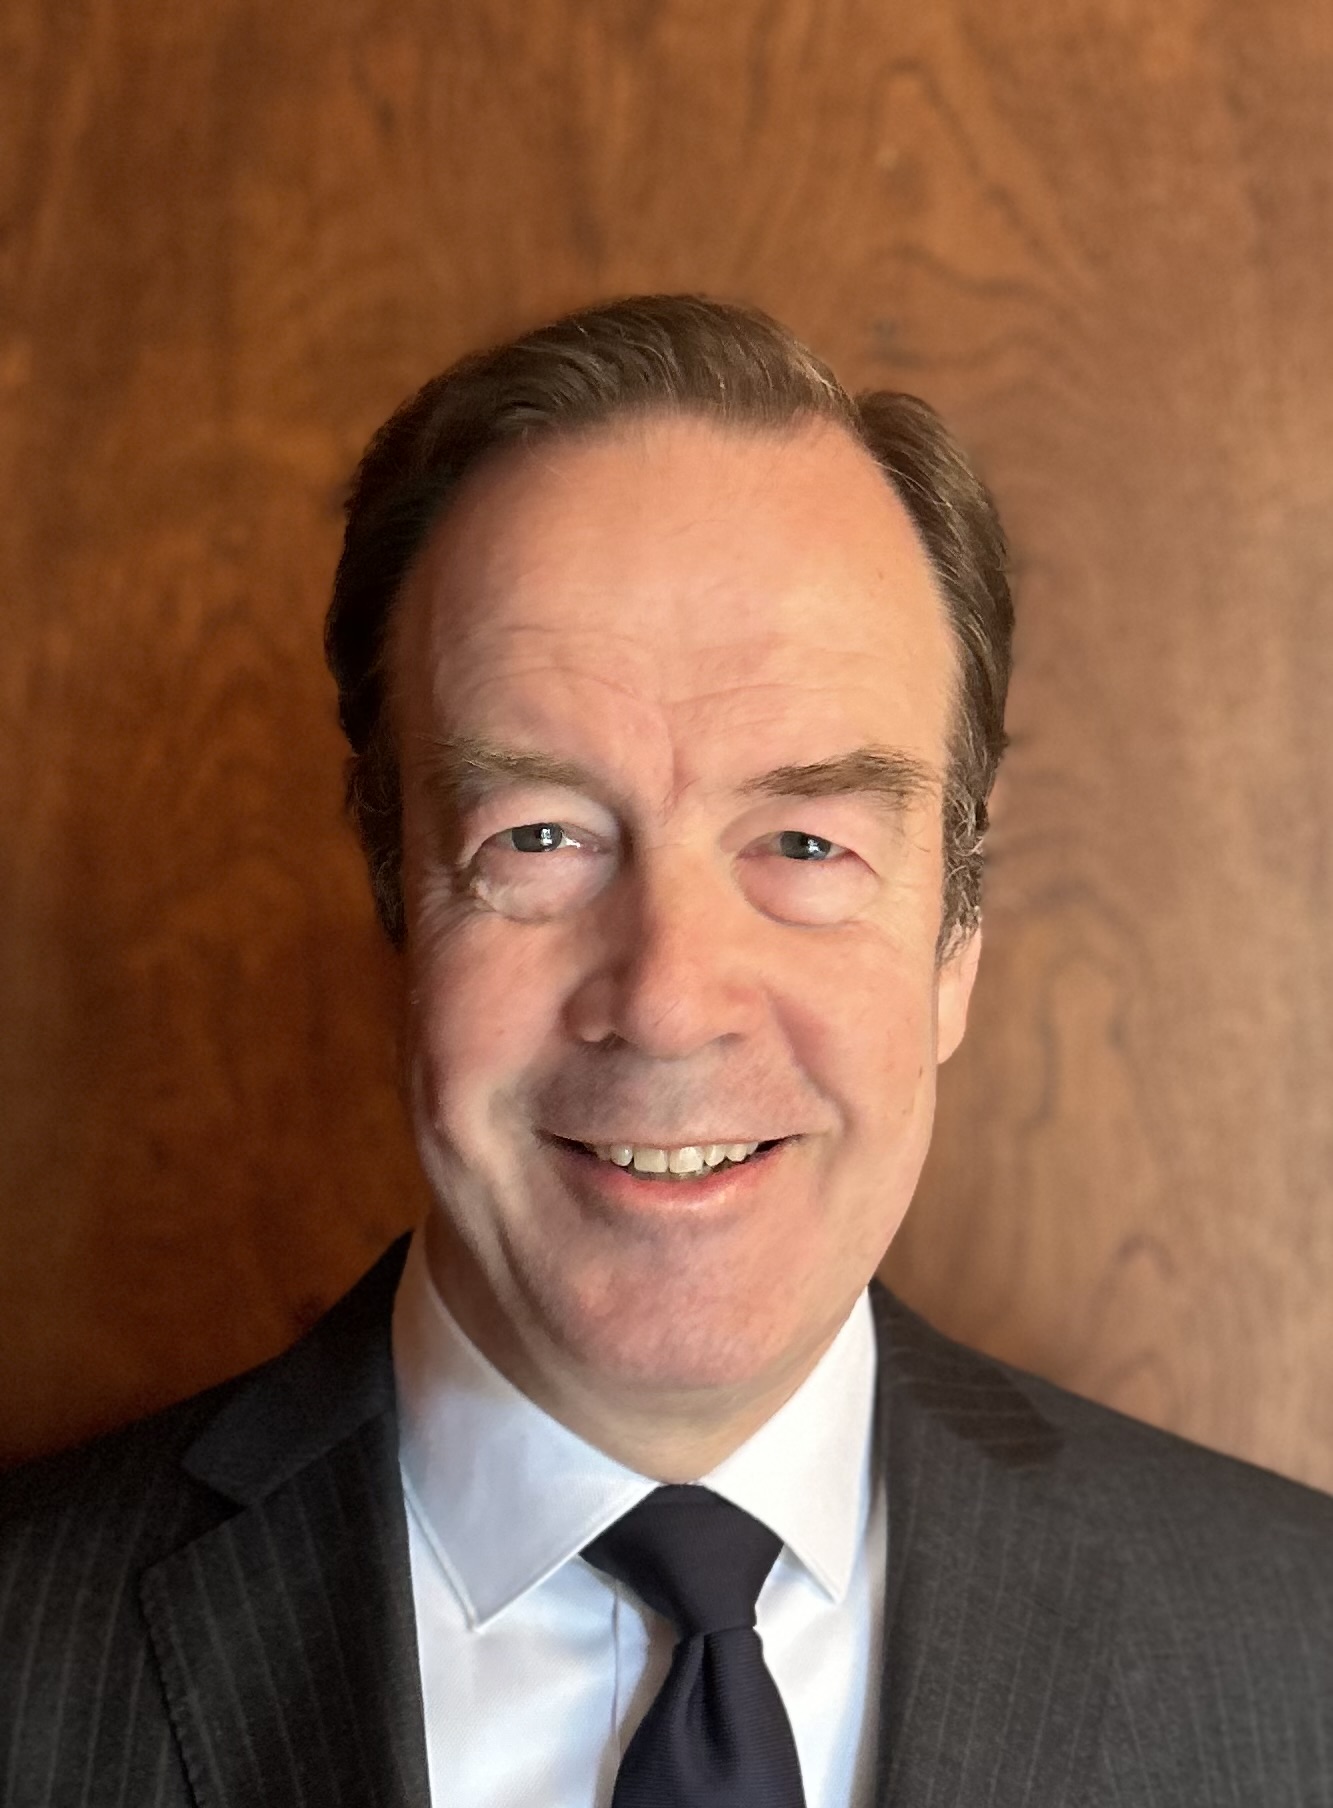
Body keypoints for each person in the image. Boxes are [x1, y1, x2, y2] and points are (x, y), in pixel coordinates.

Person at [2, 295, 1331, 1808]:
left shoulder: (1300, 1668)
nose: (669, 999)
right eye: (540, 838)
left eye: (806, 843)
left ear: (956, 940)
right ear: (396, 913)